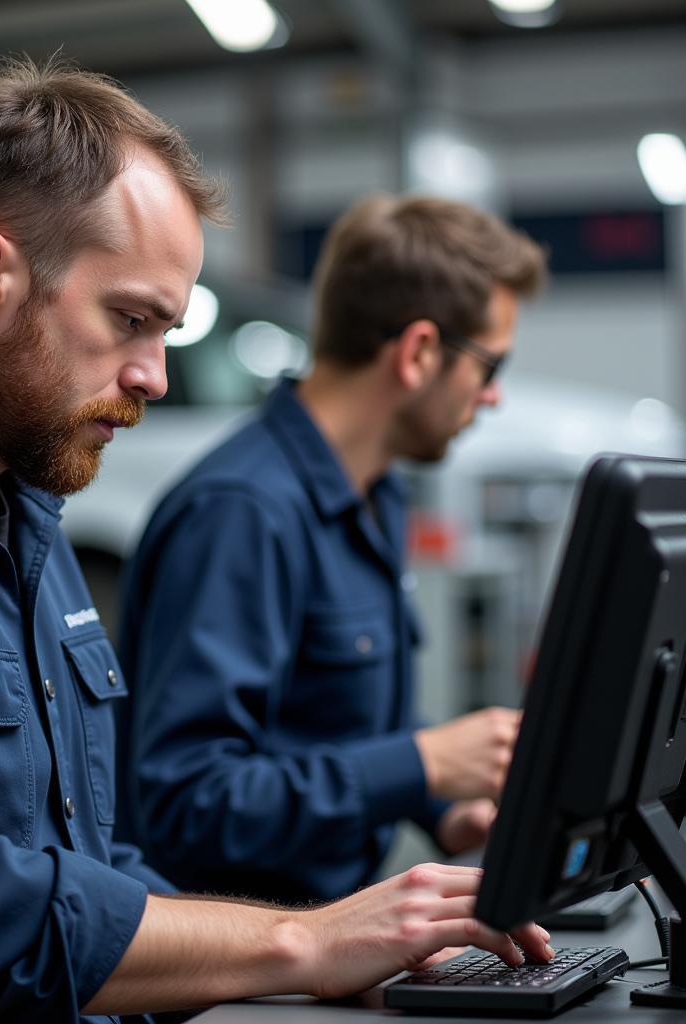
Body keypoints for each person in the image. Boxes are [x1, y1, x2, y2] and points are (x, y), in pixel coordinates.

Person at [0, 63, 550, 1023]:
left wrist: (340, 944)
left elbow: (89, 864)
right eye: (132, 320)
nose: (156, 376)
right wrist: (300, 941)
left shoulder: (28, 522)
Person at [120, 194, 548, 905]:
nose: (492, 398)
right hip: (240, 974)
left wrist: (442, 805)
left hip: (340, 927)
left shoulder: (376, 493)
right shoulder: (241, 515)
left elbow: (338, 726)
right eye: (489, 369)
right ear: (418, 354)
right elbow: (187, 804)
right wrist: (418, 765)